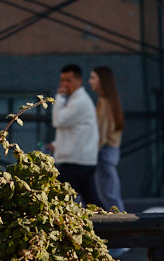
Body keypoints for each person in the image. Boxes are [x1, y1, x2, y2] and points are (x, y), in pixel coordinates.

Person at [51, 63, 101, 207]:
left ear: (79, 81)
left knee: (59, 201)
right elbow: (72, 130)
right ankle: (112, 225)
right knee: (92, 201)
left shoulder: (80, 101)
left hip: (75, 162)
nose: (64, 84)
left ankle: (114, 225)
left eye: (68, 80)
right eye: (62, 80)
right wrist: (55, 145)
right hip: (80, 160)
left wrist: (59, 97)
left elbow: (58, 121)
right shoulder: (76, 100)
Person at [90, 66, 125, 212]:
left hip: (103, 154)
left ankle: (122, 226)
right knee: (109, 195)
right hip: (108, 153)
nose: (90, 81)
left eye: (93, 78)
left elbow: (100, 134)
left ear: (102, 81)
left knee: (109, 196)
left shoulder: (104, 103)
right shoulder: (109, 102)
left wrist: (88, 154)